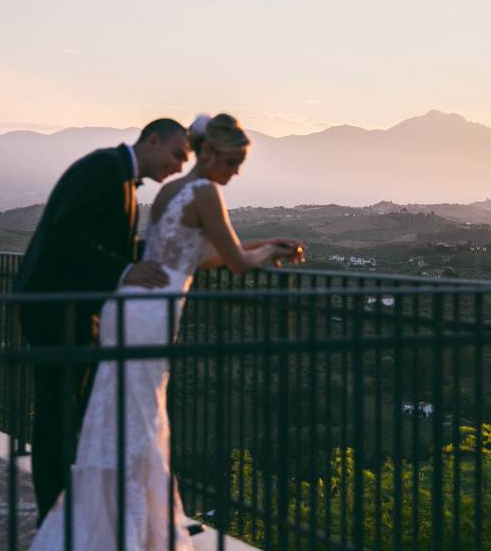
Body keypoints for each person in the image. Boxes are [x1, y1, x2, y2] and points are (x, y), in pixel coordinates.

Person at [29, 113, 305, 551]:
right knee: (119, 418)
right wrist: (269, 249)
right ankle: (118, 528)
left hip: (125, 311)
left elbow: (186, 258)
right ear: (207, 153)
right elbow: (232, 261)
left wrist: (259, 245)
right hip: (118, 311)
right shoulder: (189, 188)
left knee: (114, 415)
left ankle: (108, 520)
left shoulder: (168, 192)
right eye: (233, 161)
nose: (236, 172)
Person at [15, 118, 191, 525]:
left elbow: (108, 244)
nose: (180, 166)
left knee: (72, 410)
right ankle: (53, 519)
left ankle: (66, 511)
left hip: (71, 308)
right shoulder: (103, 170)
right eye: (177, 154)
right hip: (54, 307)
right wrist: (123, 269)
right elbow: (65, 237)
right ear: (151, 140)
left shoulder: (120, 176)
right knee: (57, 412)